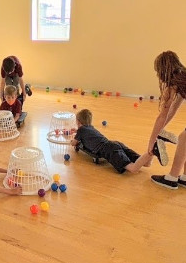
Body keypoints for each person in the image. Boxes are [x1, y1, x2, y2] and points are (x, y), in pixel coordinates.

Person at [70, 109, 174, 174]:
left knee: (133, 169)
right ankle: (155, 146)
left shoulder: (81, 130)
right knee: (146, 164)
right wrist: (78, 131)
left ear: (78, 122)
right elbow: (87, 134)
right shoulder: (90, 128)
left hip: (108, 149)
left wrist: (72, 141)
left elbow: (75, 143)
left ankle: (154, 149)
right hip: (115, 143)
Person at [148, 51, 186, 190]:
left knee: (184, 138)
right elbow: (172, 110)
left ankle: (171, 178)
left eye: (158, 71)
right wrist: (160, 133)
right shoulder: (182, 78)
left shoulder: (175, 83)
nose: (158, 75)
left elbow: (163, 115)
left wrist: (151, 142)